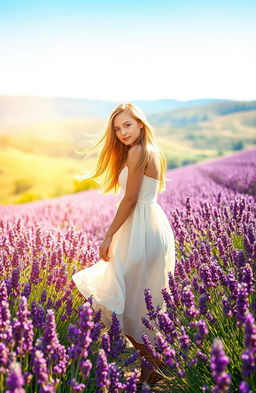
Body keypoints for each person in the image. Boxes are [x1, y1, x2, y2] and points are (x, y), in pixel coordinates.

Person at [72, 102, 176, 385]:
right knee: (140, 302)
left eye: (127, 125)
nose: (122, 133)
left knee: (127, 303)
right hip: (151, 225)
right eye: (117, 129)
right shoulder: (153, 151)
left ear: (140, 123)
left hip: (139, 229)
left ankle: (156, 366)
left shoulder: (139, 151)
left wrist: (108, 235)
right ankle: (153, 369)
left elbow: (130, 199)